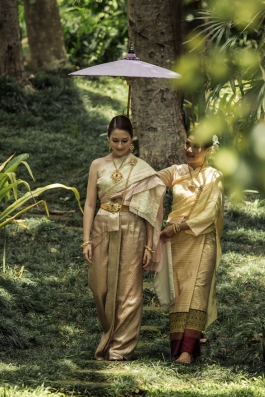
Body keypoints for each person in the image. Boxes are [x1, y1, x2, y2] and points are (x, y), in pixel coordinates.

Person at [82, 115, 165, 361]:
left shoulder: (141, 168)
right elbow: (89, 204)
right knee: (99, 286)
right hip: (102, 225)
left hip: (133, 227)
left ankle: (120, 347)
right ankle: (109, 332)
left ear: (132, 141)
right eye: (115, 141)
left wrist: (150, 245)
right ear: (108, 140)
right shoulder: (97, 165)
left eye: (125, 141)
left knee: (129, 287)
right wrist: (86, 240)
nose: (120, 146)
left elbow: (150, 209)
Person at [157, 131, 223, 364]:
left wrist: (176, 228)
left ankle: (187, 350)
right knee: (180, 293)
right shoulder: (176, 171)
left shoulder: (213, 176)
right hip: (175, 243)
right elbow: (149, 180)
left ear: (208, 151)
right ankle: (181, 347)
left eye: (197, 146)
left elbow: (210, 213)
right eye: (187, 144)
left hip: (200, 239)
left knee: (197, 292)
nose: (190, 150)